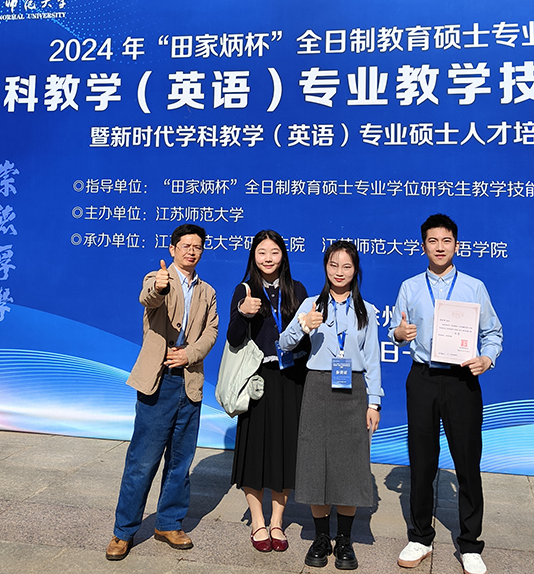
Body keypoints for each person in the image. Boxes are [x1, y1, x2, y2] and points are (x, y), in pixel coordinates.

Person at [388, 214, 503, 574]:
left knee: (467, 462)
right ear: (423, 245)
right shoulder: (410, 287)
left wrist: (487, 358)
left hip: (461, 381)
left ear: (457, 245)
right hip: (422, 378)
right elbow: (395, 329)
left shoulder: (474, 287)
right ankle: (420, 537)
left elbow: (493, 333)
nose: (439, 247)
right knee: (422, 462)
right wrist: (399, 334)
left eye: (446, 240)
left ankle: (470, 544)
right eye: (432, 241)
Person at [106, 224, 219, 561]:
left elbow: (212, 331)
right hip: (158, 382)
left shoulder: (207, 291)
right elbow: (148, 297)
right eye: (185, 245)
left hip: (190, 381)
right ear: (172, 249)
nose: (191, 251)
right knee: (142, 461)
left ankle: (169, 523)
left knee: (181, 461)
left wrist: (190, 354)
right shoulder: (158, 279)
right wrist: (159, 286)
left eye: (197, 246)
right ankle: (123, 531)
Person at [279, 240, 383, 571]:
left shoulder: (366, 310)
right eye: (333, 265)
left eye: (346, 266)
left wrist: (375, 402)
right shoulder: (311, 304)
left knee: (350, 465)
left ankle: (345, 539)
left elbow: (372, 359)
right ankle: (321, 537)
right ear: (325, 267)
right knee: (316, 462)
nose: (339, 272)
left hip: (353, 390)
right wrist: (302, 325)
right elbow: (283, 343)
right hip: (318, 387)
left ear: (356, 270)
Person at [227, 230, 309, 553]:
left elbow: (305, 342)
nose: (268, 258)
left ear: (283, 255)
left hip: (290, 380)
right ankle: (258, 521)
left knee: (285, 451)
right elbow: (234, 339)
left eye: (274, 252)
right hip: (256, 379)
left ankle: (277, 521)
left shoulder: (297, 290)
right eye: (262, 252)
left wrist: (308, 328)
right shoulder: (245, 290)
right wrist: (243, 313)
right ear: (253, 256)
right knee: (254, 451)